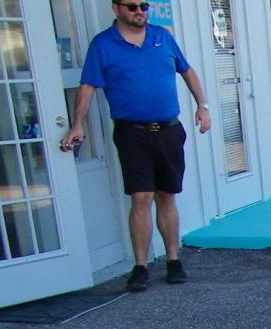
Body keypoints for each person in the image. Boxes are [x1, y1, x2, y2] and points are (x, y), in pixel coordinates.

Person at [59, 1, 210, 292]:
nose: (139, 11)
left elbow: (187, 71)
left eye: (144, 5)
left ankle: (173, 260)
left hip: (168, 130)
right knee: (141, 197)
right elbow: (88, 86)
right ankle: (140, 266)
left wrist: (202, 106)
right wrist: (77, 123)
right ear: (116, 8)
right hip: (132, 133)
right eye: (132, 6)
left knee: (167, 195)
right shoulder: (103, 44)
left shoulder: (162, 37)